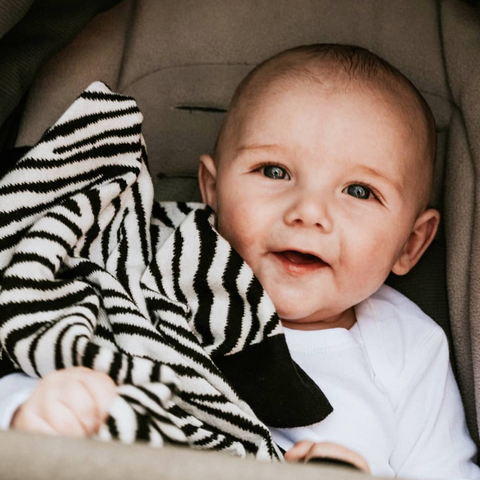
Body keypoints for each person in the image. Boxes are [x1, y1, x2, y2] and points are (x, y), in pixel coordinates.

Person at [0, 44, 478, 478]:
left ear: (410, 245)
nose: (309, 212)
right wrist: (34, 410)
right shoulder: (151, 273)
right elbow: (41, 337)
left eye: (359, 191)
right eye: (275, 171)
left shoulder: (409, 348)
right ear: (214, 191)